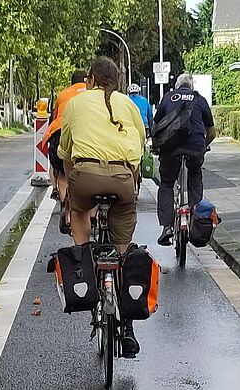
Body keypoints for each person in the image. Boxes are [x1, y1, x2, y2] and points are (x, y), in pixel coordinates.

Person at [58, 56, 145, 355]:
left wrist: (71, 184)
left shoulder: (75, 104)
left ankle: (84, 259)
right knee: (123, 247)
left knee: (79, 211)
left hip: (84, 176)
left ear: (91, 79)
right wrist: (131, 180)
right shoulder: (129, 105)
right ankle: (127, 328)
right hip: (122, 178)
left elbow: (65, 150)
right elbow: (140, 145)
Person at [153, 73, 216, 247]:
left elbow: (156, 126)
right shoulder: (200, 99)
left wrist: (157, 146)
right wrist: (203, 146)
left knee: (166, 184)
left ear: (177, 86)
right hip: (195, 149)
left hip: (170, 150)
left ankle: (167, 227)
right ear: (191, 86)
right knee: (194, 176)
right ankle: (198, 221)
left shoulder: (167, 98)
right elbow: (212, 132)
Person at [42, 70, 87, 213]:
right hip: (86, 133)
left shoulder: (63, 94)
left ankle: (64, 207)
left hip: (61, 131)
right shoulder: (92, 93)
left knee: (62, 173)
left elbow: (55, 117)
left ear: (71, 82)